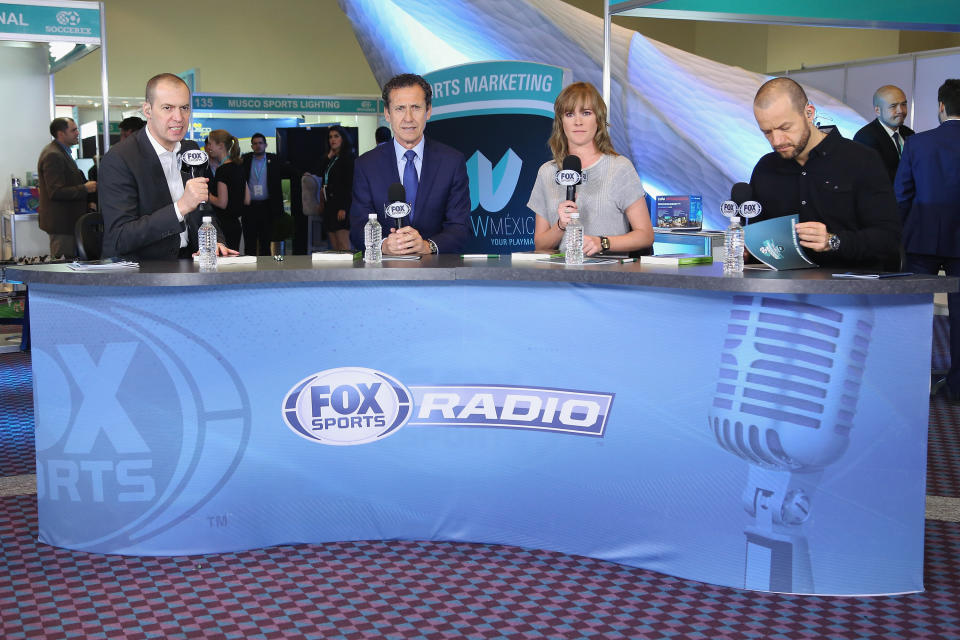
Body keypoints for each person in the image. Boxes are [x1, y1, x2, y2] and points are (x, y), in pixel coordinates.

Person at [748, 77, 901, 270]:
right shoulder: (766, 168)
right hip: (782, 290)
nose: (777, 141)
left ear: (809, 113)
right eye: (767, 132)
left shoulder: (862, 160)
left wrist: (833, 241)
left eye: (785, 128)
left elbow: (888, 237)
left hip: (850, 289)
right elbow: (758, 236)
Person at [99, 73, 237, 260]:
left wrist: (215, 242)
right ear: (147, 110)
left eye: (184, 108)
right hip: (142, 272)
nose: (178, 117)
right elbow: (120, 237)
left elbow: (204, 211)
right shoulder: (119, 159)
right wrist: (180, 207)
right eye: (167, 108)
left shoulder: (191, 150)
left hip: (190, 263)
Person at [349, 73, 470, 255]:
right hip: (384, 276)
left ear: (428, 111)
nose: (408, 118)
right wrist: (384, 245)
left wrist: (427, 246)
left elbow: (460, 227)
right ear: (387, 114)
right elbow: (358, 227)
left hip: (437, 275)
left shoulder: (452, 162)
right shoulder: (366, 165)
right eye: (399, 109)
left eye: (415, 107)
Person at [528, 82, 653, 256]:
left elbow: (645, 235)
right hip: (560, 277)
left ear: (598, 119)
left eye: (586, 113)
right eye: (570, 114)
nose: (578, 122)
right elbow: (540, 245)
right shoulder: (546, 172)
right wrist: (560, 226)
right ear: (561, 122)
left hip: (608, 277)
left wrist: (602, 242)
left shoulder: (619, 167)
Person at [895, 79, 960, 400]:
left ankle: (906, 382)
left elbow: (902, 196)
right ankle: (957, 388)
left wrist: (900, 236)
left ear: (941, 106)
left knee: (913, 314)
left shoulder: (917, 144)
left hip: (921, 239)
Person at [37, 117, 97, 258]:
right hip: (62, 224)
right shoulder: (53, 155)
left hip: (68, 222)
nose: (77, 133)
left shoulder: (62, 153)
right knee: (62, 266)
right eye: (73, 130)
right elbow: (56, 191)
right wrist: (85, 188)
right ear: (61, 134)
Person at [241, 133, 294, 256]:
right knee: (250, 243)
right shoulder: (245, 160)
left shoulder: (274, 159)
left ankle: (266, 271)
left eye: (260, 143)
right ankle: (249, 271)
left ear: (265, 145)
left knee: (266, 243)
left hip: (268, 207)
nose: (258, 146)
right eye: (255, 143)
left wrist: (306, 174)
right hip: (250, 208)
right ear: (251, 146)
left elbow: (291, 171)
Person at [853, 85, 915, 183]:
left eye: (903, 104)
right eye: (893, 106)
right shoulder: (865, 137)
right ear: (877, 110)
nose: (901, 111)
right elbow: (874, 178)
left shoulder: (909, 134)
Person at [206, 129, 248, 251]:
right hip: (236, 224)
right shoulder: (239, 166)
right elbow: (247, 199)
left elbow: (221, 203)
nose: (208, 147)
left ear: (220, 146)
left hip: (223, 225)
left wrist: (205, 195)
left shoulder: (222, 170)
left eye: (210, 143)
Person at [319, 125, 355, 251]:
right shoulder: (332, 158)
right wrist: (328, 157)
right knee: (334, 247)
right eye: (330, 137)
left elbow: (349, 186)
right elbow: (320, 173)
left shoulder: (349, 158)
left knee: (343, 246)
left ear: (343, 139)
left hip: (341, 207)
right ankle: (338, 271)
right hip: (329, 206)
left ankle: (348, 271)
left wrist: (344, 208)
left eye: (336, 136)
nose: (332, 140)